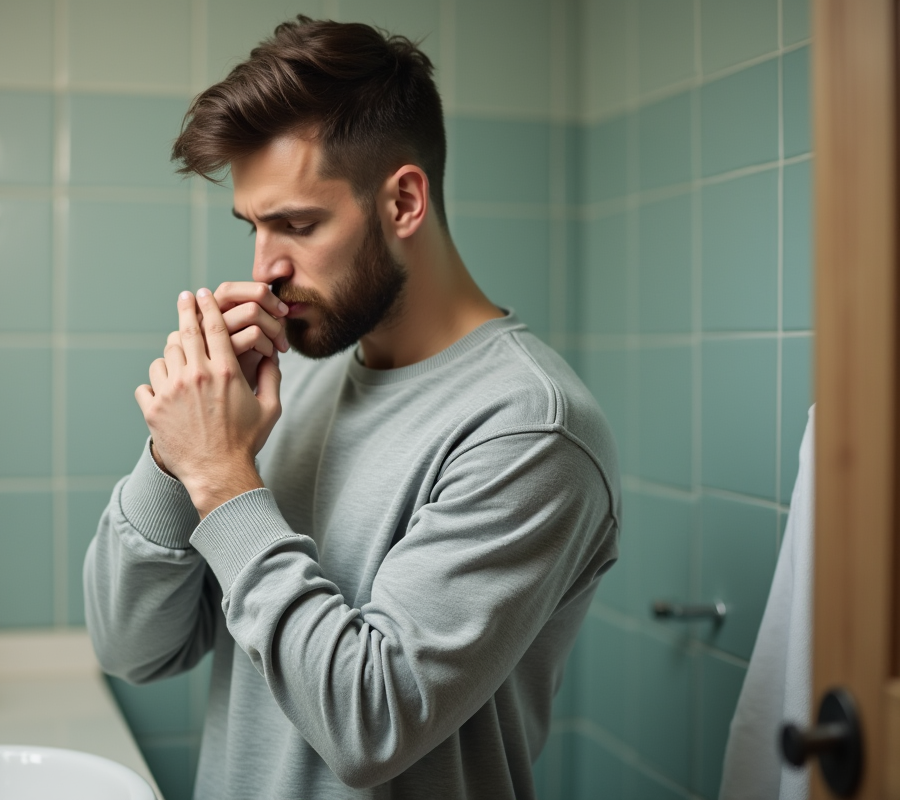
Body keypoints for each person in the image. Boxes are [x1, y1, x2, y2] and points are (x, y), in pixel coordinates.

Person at [83, 17, 620, 799]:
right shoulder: (288, 377)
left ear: (403, 201)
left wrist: (223, 477)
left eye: (298, 225)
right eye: (254, 226)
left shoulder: (531, 429)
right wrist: (176, 456)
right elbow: (132, 648)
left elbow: (371, 727)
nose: (264, 270)